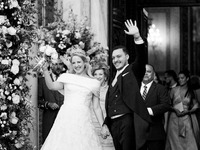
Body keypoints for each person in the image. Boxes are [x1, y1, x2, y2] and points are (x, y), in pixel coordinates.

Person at [40, 48, 109, 150]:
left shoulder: (94, 83)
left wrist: (103, 126)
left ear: (85, 62)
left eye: (79, 62)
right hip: (65, 119)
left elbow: (96, 107)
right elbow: (51, 86)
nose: (77, 65)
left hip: (83, 121)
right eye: (74, 63)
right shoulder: (67, 78)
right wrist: (45, 70)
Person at [102, 19, 151, 150]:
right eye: (113, 58)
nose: (115, 60)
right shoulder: (113, 77)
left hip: (127, 121)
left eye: (119, 56)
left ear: (127, 57)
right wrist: (106, 123)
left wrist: (137, 37)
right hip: (114, 123)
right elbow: (110, 102)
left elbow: (141, 58)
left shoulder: (133, 71)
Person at [165, 70, 200, 150]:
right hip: (174, 118)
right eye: (179, 78)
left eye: (182, 78)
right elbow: (167, 104)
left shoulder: (191, 91)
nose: (180, 80)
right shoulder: (173, 90)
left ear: (187, 79)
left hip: (186, 118)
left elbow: (196, 105)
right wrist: (174, 109)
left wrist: (188, 111)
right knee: (174, 141)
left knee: (189, 141)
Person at [140, 64, 171, 150]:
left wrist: (148, 111)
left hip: (155, 133)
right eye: (144, 71)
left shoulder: (161, 88)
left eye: (149, 71)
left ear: (154, 75)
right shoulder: (134, 88)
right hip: (137, 135)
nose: (146, 73)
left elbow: (166, 105)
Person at [38, 61, 65, 144]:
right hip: (49, 119)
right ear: (51, 65)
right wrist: (48, 104)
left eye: (60, 64)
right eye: (55, 64)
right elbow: (37, 100)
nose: (58, 66)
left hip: (64, 119)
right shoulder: (42, 81)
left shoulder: (67, 80)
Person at [91, 63, 115, 150]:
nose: (97, 77)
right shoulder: (90, 90)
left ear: (105, 76)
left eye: (100, 74)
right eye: (95, 74)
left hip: (106, 123)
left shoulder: (111, 90)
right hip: (92, 124)